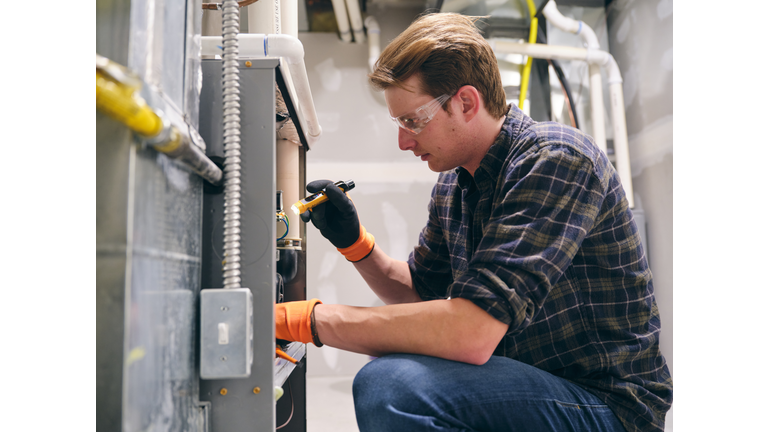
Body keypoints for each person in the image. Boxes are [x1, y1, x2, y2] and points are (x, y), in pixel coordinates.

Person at [275, 12, 672, 432]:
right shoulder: (454, 184)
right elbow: (419, 293)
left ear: (465, 102)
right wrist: (356, 244)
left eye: (412, 120)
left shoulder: (556, 159)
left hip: (608, 406)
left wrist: (307, 321)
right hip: (535, 384)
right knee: (395, 363)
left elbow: (471, 332)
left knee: (391, 384)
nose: (403, 141)